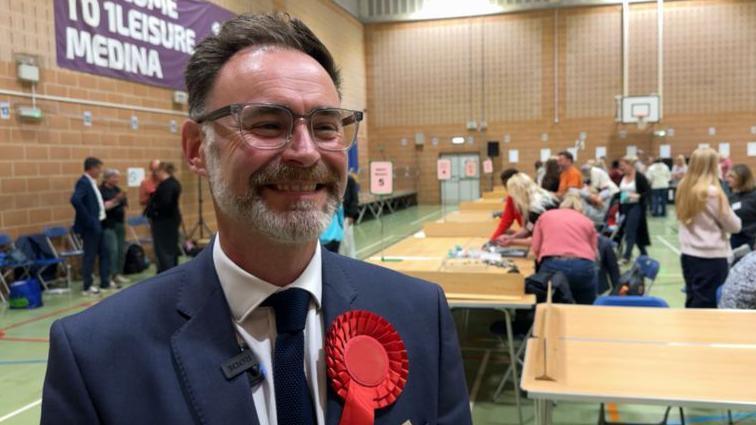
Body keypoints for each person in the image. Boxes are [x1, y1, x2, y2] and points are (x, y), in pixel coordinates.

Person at [42, 13, 472, 425]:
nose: (305, 152)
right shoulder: (96, 356)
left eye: (325, 126)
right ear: (196, 148)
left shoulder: (420, 316)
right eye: (268, 124)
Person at [676, 147, 741, 308]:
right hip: (710, 256)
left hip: (688, 254)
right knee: (708, 303)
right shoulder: (712, 193)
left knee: (692, 298)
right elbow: (734, 226)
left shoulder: (683, 188)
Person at [531, 194, 598, 304]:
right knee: (586, 306)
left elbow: (536, 246)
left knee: (548, 304)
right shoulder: (587, 221)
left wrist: (541, 261)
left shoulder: (545, 216)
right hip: (583, 266)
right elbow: (594, 251)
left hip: (553, 264)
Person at [70, 157, 111, 295]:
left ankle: (105, 281)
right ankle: (87, 286)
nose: (100, 171)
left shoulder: (92, 183)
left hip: (100, 223)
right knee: (90, 256)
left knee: (105, 253)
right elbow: (75, 200)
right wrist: (89, 220)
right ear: (91, 168)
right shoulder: (83, 182)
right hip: (91, 226)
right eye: (98, 168)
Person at [495, 172, 558, 247]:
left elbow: (536, 240)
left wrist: (512, 241)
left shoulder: (538, 207)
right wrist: (512, 237)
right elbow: (528, 228)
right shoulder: (542, 197)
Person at [145, 162, 182, 273]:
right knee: (169, 249)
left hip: (164, 221)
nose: (156, 174)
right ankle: (168, 273)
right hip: (169, 220)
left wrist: (155, 210)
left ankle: (167, 275)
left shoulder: (168, 185)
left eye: (157, 172)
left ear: (162, 171)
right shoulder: (171, 183)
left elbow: (165, 203)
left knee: (164, 250)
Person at [617, 156, 651, 265]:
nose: (622, 168)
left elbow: (648, 192)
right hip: (624, 207)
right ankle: (644, 253)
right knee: (633, 232)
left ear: (631, 165)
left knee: (630, 231)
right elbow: (619, 191)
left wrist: (638, 196)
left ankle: (626, 256)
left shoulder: (640, 177)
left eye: (624, 165)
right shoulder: (622, 177)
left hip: (635, 207)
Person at [99, 169, 129, 287]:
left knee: (121, 249)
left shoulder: (117, 189)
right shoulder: (101, 190)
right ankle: (110, 275)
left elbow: (123, 204)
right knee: (113, 250)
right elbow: (105, 207)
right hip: (108, 225)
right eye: (114, 177)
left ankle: (118, 273)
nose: (117, 179)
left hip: (119, 223)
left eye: (117, 177)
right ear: (107, 178)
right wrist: (117, 199)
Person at [726, 164, 756, 249]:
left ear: (742, 178)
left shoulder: (754, 195)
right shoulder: (732, 197)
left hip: (752, 241)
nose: (728, 179)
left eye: (731, 176)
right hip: (735, 240)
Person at [489, 168, 523, 244]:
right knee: (506, 233)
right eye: (505, 185)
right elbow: (505, 222)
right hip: (528, 233)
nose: (507, 189)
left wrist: (514, 239)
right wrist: (492, 241)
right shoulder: (511, 198)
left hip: (536, 236)